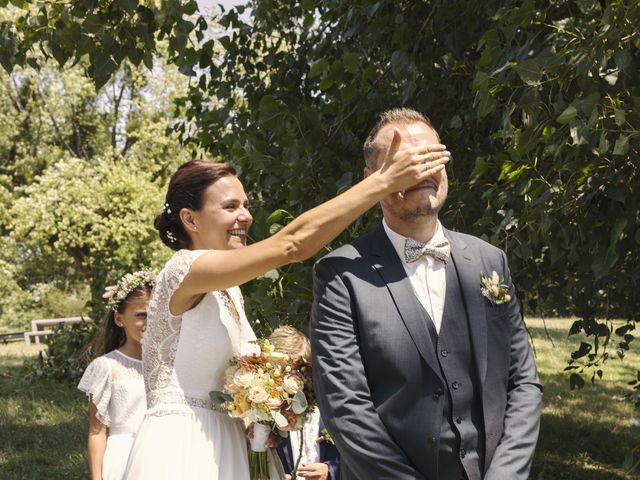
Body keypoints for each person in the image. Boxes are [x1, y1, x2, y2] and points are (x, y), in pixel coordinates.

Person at [123, 139, 450, 479]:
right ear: (190, 219)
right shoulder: (183, 269)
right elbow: (292, 244)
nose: (245, 216)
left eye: (246, 205)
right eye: (230, 207)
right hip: (184, 448)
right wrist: (382, 182)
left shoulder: (230, 291)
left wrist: (260, 413)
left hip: (231, 448)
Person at [310, 108, 543, 480]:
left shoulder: (490, 259)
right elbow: (345, 406)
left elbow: (523, 383)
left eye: (432, 157)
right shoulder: (340, 273)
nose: (421, 170)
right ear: (372, 180)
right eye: (405, 162)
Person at [78, 269, 155, 480]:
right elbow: (97, 431)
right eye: (141, 315)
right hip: (124, 459)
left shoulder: (169, 366)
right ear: (120, 319)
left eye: (156, 314)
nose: (150, 322)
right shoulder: (106, 367)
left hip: (162, 455)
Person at [269, 326, 340, 480]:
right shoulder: (267, 416)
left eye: (301, 371)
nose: (294, 380)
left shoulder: (332, 408)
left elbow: (356, 459)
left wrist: (330, 471)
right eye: (283, 373)